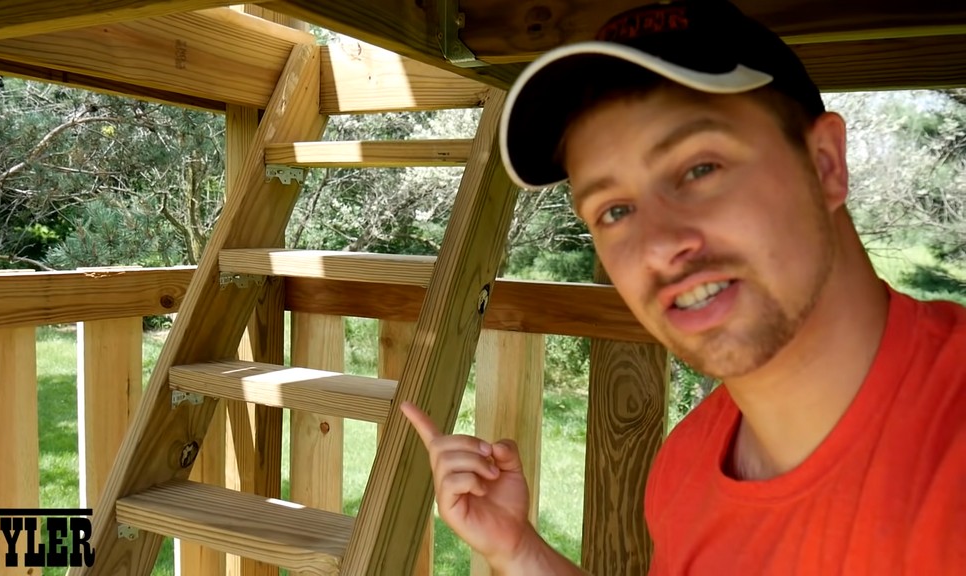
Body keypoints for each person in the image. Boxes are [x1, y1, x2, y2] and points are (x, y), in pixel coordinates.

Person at [400, 0, 966, 574]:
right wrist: (518, 550)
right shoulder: (690, 461)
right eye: (615, 210)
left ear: (825, 164)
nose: (656, 246)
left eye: (699, 169)